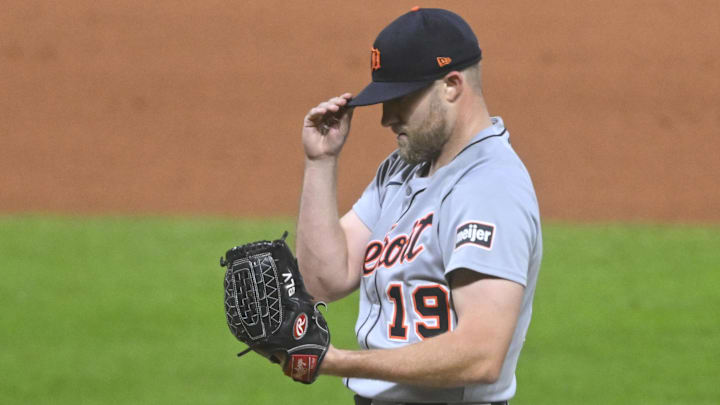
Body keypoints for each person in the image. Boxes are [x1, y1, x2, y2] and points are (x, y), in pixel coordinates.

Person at [295, 7, 542, 405]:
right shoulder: (402, 169)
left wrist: (337, 361)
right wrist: (320, 163)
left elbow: (481, 355)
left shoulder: (491, 187)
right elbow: (324, 279)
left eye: (400, 98)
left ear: (451, 85)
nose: (386, 118)